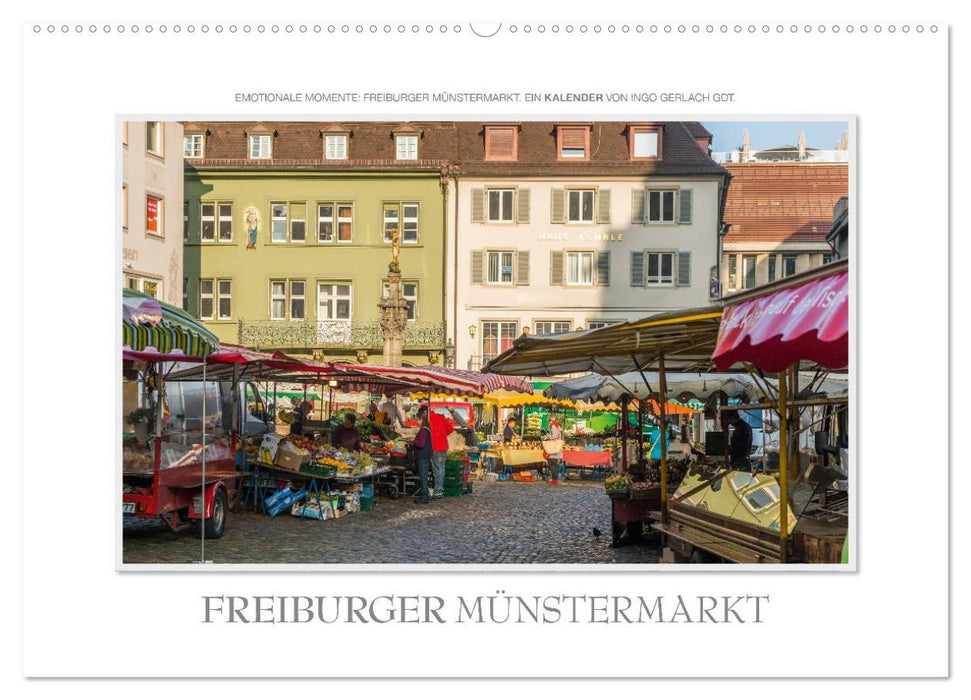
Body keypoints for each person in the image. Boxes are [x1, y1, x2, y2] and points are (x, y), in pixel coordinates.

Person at [428, 407, 455, 499]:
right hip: (444, 445)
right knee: (441, 468)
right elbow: (450, 429)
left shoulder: (428, 419)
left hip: (435, 446)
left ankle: (438, 491)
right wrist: (442, 433)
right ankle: (440, 489)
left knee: (437, 469)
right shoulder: (441, 417)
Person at [411, 407, 433, 504]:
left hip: (422, 457)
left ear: (421, 420)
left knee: (423, 477)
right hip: (424, 456)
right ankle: (425, 496)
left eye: (417, 420)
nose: (416, 422)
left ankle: (424, 498)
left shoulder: (424, 430)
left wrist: (413, 441)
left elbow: (421, 444)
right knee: (423, 477)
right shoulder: (426, 429)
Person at [545, 416, 564, 484]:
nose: (549, 423)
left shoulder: (553, 426)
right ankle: (554, 479)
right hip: (557, 448)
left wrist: (547, 435)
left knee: (552, 464)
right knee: (555, 464)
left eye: (549, 421)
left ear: (551, 421)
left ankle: (554, 480)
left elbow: (554, 436)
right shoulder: (558, 426)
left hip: (553, 448)